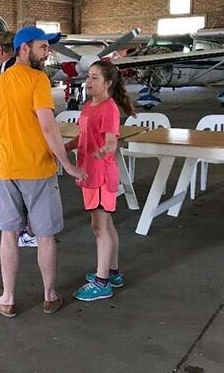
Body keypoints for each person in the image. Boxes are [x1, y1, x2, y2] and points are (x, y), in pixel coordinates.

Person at [0, 26, 87, 317]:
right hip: (38, 170)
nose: (48, 52)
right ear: (25, 49)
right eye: (43, 47)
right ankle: (49, 296)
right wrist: (67, 164)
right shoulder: (38, 79)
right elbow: (47, 125)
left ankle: (7, 299)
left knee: (8, 235)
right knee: (45, 236)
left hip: (6, 171)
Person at [64, 60, 134, 301]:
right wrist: (63, 149)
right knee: (106, 225)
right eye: (88, 77)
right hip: (88, 173)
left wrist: (106, 149)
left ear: (108, 83)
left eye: (95, 78)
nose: (88, 82)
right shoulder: (88, 106)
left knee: (99, 228)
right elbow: (82, 137)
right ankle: (113, 272)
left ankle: (102, 281)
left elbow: (112, 140)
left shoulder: (109, 108)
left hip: (101, 175)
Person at [0, 30, 37, 248]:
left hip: (16, 148)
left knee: (22, 194)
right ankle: (29, 230)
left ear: (0, 50)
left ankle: (28, 231)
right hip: (20, 145)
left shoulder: (9, 72)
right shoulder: (24, 68)